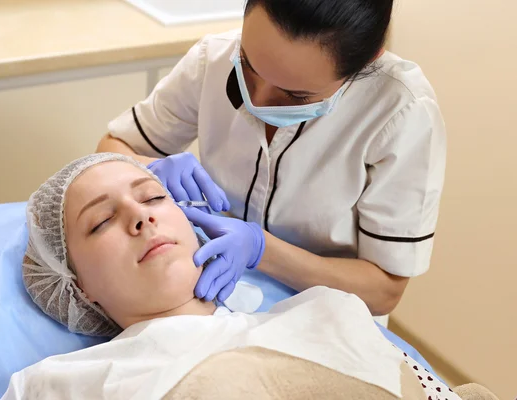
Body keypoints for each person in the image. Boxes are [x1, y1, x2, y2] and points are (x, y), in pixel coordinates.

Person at [8, 153, 459, 400]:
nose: (140, 218)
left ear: (193, 221)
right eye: (101, 221)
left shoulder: (329, 313)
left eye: (152, 197)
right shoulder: (57, 385)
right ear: (75, 284)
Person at [97, 0, 447, 318]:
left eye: (294, 95)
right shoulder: (212, 60)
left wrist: (260, 249)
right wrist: (146, 172)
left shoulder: (402, 113)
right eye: (248, 66)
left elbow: (383, 290)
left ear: (366, 63)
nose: (258, 101)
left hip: (327, 320)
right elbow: (113, 146)